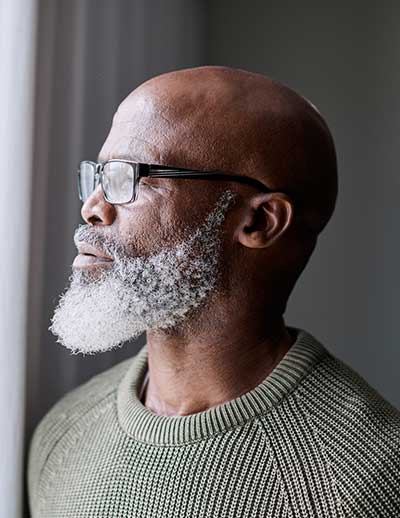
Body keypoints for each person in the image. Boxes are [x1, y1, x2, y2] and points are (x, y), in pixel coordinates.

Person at [27, 66, 400, 517]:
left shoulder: (371, 478)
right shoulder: (64, 433)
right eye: (100, 175)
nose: (93, 208)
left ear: (259, 222)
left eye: (130, 176)